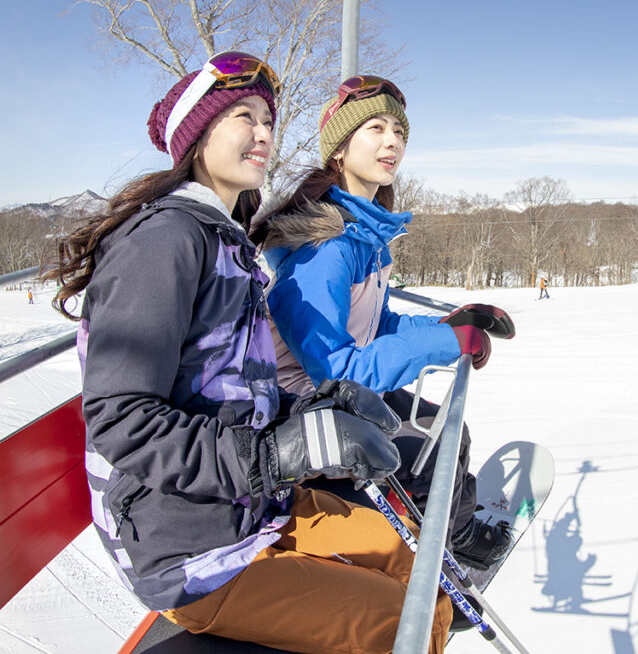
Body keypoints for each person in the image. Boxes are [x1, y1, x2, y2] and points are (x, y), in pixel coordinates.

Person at [43, 53, 450, 653]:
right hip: (189, 549)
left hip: (253, 508)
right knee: (401, 622)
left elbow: (232, 388)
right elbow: (121, 420)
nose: (263, 133)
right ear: (197, 137)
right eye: (242, 116)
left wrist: (317, 409)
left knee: (425, 566)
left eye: (267, 119)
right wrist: (279, 451)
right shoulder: (163, 243)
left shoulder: (224, 243)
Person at [251, 75, 516, 571]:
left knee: (448, 428)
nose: (392, 141)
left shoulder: (362, 233)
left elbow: (378, 323)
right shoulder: (325, 249)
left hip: (342, 393)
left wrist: (449, 332)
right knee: (428, 454)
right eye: (375, 128)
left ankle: (450, 532)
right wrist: (444, 344)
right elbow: (335, 368)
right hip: (304, 407)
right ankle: (434, 554)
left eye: (399, 130)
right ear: (340, 149)